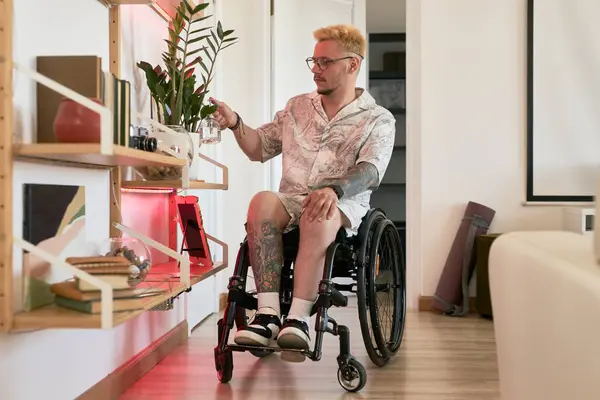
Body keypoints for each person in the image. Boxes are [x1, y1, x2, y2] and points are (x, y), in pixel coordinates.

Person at [209, 24, 396, 351]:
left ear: (352, 64)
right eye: (313, 61)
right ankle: (267, 315)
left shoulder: (377, 119)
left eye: (325, 62)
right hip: (293, 199)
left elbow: (370, 171)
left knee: (319, 212)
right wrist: (236, 123)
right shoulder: (297, 107)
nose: (316, 70)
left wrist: (334, 190)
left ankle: (297, 319)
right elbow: (259, 148)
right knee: (262, 201)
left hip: (340, 205)